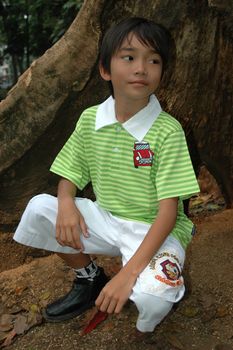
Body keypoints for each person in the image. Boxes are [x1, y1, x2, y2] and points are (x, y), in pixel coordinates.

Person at [14, 17, 199, 336]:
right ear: (105, 69)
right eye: (129, 57)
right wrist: (67, 200)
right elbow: (69, 173)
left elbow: (170, 212)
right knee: (40, 210)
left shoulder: (167, 131)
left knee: (152, 301)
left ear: (161, 72)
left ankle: (158, 288)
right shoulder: (91, 120)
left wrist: (128, 275)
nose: (141, 68)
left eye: (153, 60)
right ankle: (88, 277)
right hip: (106, 218)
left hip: (155, 230)